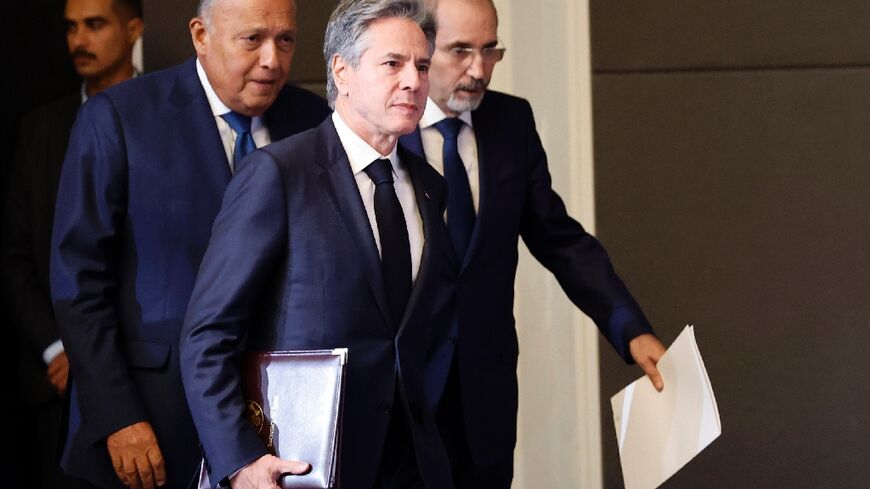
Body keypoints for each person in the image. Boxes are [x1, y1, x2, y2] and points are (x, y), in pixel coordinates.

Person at [49, 0, 331, 486]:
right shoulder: (118, 117)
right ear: (201, 36)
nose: (272, 58)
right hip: (151, 421)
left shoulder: (312, 120)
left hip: (278, 423)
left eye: (285, 40)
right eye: (253, 39)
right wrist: (117, 416)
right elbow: (78, 286)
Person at [179, 1, 455, 488]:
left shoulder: (431, 186)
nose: (413, 80)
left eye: (423, 65)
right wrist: (240, 459)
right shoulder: (278, 174)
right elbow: (207, 336)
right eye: (393, 63)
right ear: (342, 71)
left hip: (411, 466)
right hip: (304, 465)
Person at [398, 0, 667, 487]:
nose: (479, 70)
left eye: (489, 50)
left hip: (487, 398)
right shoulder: (381, 125)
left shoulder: (511, 121)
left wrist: (631, 329)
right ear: (421, 47)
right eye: (460, 51)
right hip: (401, 398)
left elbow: (560, 239)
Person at [0, 0, 143, 487]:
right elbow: (17, 257)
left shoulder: (169, 113)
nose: (79, 40)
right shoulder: (40, 128)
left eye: (95, 25)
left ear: (133, 29)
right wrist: (59, 347)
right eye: (71, 28)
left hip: (153, 376)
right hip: (57, 384)